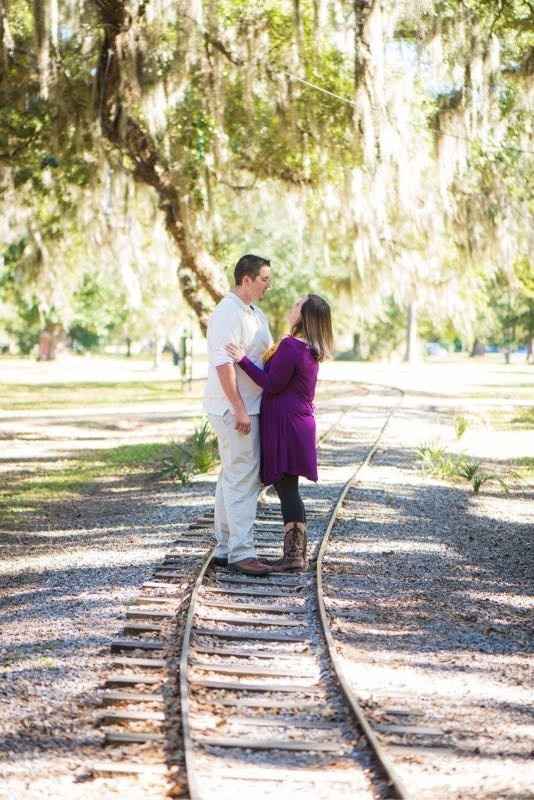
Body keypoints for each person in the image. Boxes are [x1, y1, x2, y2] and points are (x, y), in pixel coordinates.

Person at [226, 294, 333, 572]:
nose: (291, 307)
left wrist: (241, 360)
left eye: (297, 305)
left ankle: (295, 555)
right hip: (296, 422)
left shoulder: (291, 346)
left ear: (305, 316)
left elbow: (271, 384)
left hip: (287, 424)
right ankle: (295, 553)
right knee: (288, 487)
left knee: (287, 489)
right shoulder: (308, 348)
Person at [204, 254, 274, 576]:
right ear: (246, 280)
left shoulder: (253, 313)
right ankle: (242, 552)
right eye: (264, 280)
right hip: (235, 410)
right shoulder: (227, 313)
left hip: (251, 407)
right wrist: (239, 409)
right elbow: (223, 365)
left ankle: (225, 546)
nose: (267, 286)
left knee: (231, 475)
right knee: (243, 478)